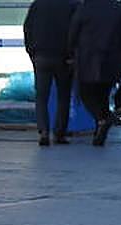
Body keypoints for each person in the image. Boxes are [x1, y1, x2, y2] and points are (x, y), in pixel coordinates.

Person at [67, 0, 121, 146]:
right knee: (103, 95)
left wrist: (70, 52)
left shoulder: (84, 8)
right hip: (112, 59)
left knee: (85, 93)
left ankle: (101, 120)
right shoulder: (117, 8)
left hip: (88, 59)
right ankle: (99, 131)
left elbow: (73, 32)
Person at [23, 0, 78, 146]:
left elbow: (27, 28)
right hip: (64, 58)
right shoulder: (71, 4)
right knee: (63, 96)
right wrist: (72, 54)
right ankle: (59, 133)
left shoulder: (37, 4)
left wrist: (32, 52)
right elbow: (75, 30)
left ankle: (44, 132)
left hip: (41, 56)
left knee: (41, 97)